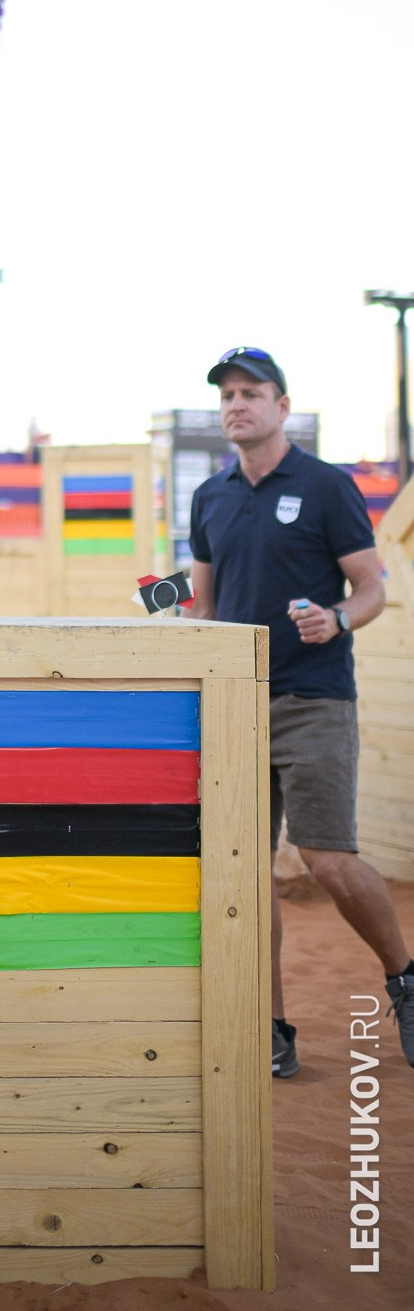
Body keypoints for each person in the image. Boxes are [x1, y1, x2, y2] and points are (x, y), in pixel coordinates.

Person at [187, 345, 414, 1074]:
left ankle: (403, 977)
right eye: (226, 394)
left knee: (327, 861)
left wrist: (338, 620)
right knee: (244, 873)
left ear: (281, 407)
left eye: (251, 392)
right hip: (233, 708)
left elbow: (371, 588)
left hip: (312, 699)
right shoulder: (209, 497)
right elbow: (206, 606)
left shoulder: (324, 486)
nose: (235, 404)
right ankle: (271, 1028)